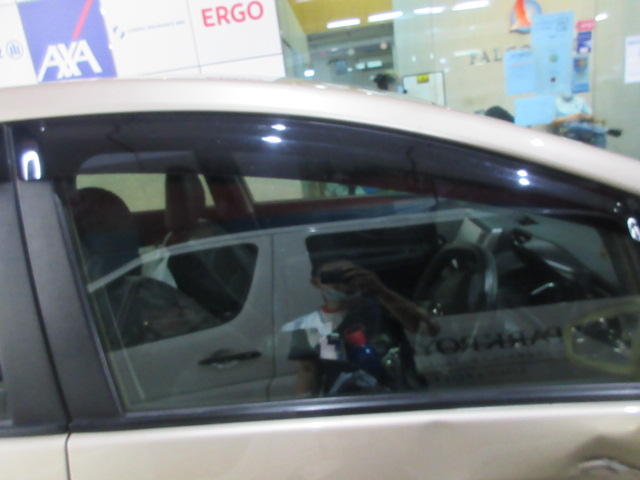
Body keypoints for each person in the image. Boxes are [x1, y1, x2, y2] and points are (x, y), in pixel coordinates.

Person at [282, 259, 439, 397]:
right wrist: (303, 408)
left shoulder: (385, 307)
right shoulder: (309, 325)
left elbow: (428, 329)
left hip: (401, 398)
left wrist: (380, 290)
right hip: (345, 404)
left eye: (348, 274)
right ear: (316, 283)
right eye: (333, 276)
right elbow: (308, 370)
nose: (343, 281)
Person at [551, 92, 621, 148]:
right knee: (574, 125)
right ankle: (605, 130)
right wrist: (570, 118)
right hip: (567, 128)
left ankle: (600, 157)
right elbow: (553, 121)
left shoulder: (580, 101)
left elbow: (591, 116)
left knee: (599, 135)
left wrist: (583, 116)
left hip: (584, 126)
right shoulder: (555, 102)